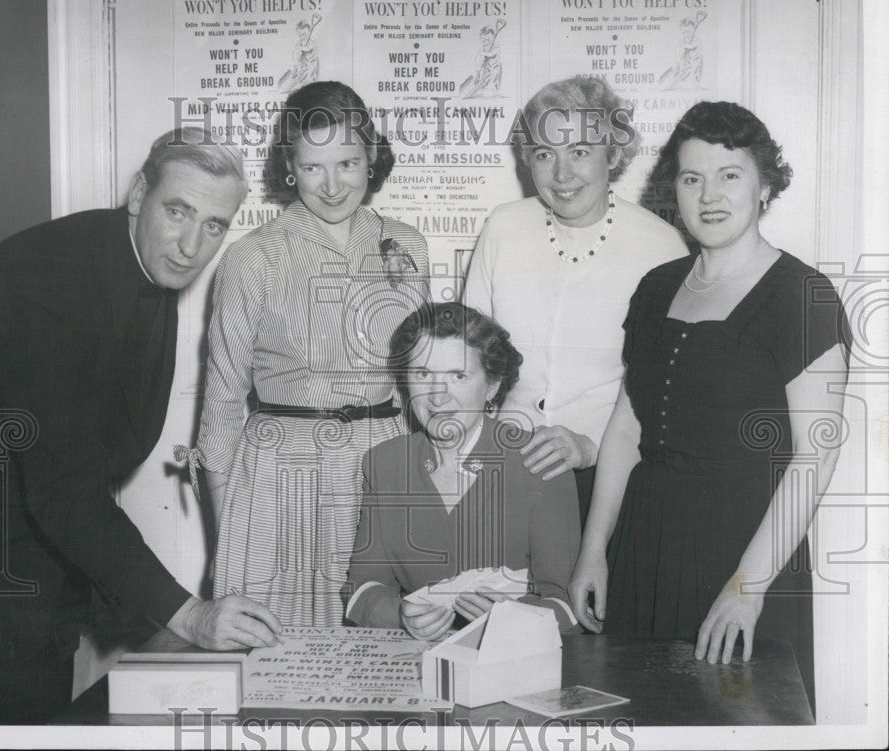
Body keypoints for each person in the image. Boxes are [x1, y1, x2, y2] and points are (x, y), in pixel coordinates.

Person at [0, 127, 283, 725]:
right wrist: (188, 615)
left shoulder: (141, 265)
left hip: (40, 570)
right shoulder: (48, 279)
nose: (191, 245)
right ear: (139, 193)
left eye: (214, 225)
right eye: (178, 211)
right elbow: (65, 489)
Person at [568, 101, 852, 715]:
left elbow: (815, 458)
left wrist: (747, 589)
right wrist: (594, 551)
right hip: (645, 547)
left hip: (745, 552)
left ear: (765, 183)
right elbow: (625, 429)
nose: (709, 195)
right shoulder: (656, 288)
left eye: (730, 174)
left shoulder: (803, 296)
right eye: (692, 178)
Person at [195, 81, 429, 627]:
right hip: (280, 478)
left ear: (372, 158)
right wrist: (228, 532)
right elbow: (224, 401)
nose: (331, 185)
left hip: (383, 467)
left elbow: (422, 383)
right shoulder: (253, 258)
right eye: (312, 166)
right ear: (288, 169)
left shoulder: (407, 244)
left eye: (347, 162)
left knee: (390, 652)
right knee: (282, 663)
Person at [464, 76, 688, 524]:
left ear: (615, 154)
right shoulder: (503, 227)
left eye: (580, 152)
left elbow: (672, 398)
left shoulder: (662, 247)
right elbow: (470, 359)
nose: (562, 175)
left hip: (612, 480)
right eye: (545, 154)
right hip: (503, 470)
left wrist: (589, 447)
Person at [343, 302, 581, 638]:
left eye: (458, 376)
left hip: (514, 660)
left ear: (492, 386)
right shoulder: (385, 462)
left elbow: (568, 606)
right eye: (423, 374)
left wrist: (515, 619)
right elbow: (362, 589)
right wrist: (400, 616)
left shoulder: (539, 461)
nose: (437, 397)